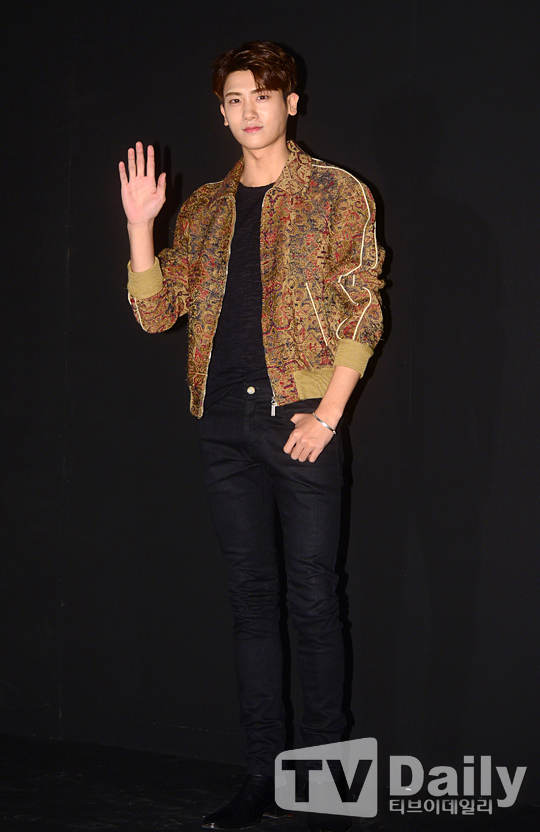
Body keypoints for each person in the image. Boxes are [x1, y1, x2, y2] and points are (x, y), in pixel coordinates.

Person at [119, 41, 385, 832]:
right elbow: (157, 313)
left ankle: (328, 787)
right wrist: (140, 227)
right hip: (223, 427)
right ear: (222, 111)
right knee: (251, 605)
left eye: (262, 96)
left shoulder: (335, 192)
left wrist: (328, 414)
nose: (248, 111)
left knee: (314, 601)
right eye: (234, 99)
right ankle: (263, 777)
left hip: (300, 418)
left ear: (290, 103)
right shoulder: (203, 207)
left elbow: (363, 306)